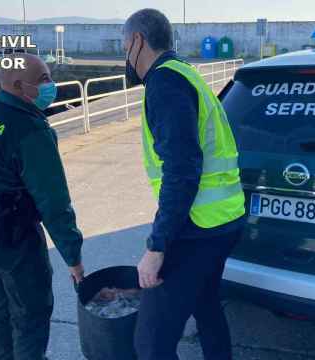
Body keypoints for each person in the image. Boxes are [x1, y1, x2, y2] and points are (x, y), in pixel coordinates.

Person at [124, 9, 246, 360]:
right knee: (207, 308)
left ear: (137, 41)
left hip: (197, 229)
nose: (124, 55)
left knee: (151, 342)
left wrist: (156, 247)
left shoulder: (165, 83)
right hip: (224, 220)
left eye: (123, 45)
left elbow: (181, 171)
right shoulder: (186, 73)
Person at [0, 53, 84, 360]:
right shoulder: (30, 130)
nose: (51, 85)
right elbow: (54, 202)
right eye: (43, 79)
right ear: (19, 86)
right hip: (14, 234)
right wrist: (74, 258)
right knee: (31, 312)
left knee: (0, 305)